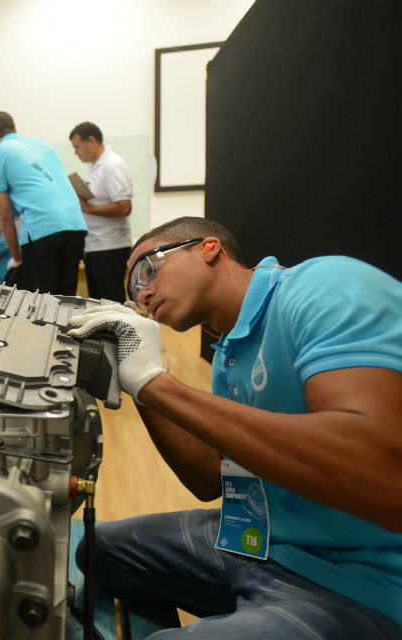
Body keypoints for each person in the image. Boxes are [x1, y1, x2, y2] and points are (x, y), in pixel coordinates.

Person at [67, 216, 402, 638]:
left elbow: (377, 472)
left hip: (361, 582)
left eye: (148, 270)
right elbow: (210, 478)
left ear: (209, 249)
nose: (143, 293)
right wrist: (135, 380)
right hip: (262, 544)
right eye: (133, 290)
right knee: (99, 551)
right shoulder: (229, 349)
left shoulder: (323, 284)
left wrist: (157, 383)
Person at [0, 111, 87, 295]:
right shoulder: (43, 144)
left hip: (42, 229)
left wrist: (16, 257)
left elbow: (4, 214)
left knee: (42, 308)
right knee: (66, 300)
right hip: (76, 226)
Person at [68, 121, 133, 302]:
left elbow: (124, 207)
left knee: (111, 304)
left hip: (110, 246)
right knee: (98, 304)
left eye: (77, 147)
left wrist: (89, 208)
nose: (76, 152)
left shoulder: (113, 165)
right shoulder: (93, 166)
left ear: (92, 141)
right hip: (95, 245)